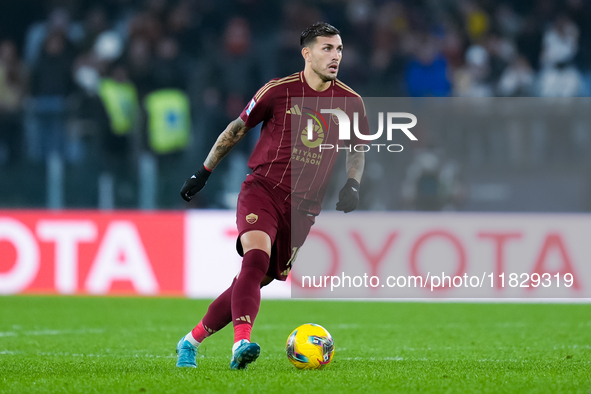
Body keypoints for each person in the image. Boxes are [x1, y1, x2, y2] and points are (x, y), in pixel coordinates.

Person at [176, 22, 367, 370]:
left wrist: (353, 183)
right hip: (263, 190)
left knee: (254, 280)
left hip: (303, 211)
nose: (335, 56)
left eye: (339, 49)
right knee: (256, 260)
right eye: (327, 49)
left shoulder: (351, 102)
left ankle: (190, 341)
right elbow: (236, 129)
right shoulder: (278, 91)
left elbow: (357, 151)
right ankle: (241, 344)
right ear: (306, 53)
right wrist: (203, 172)